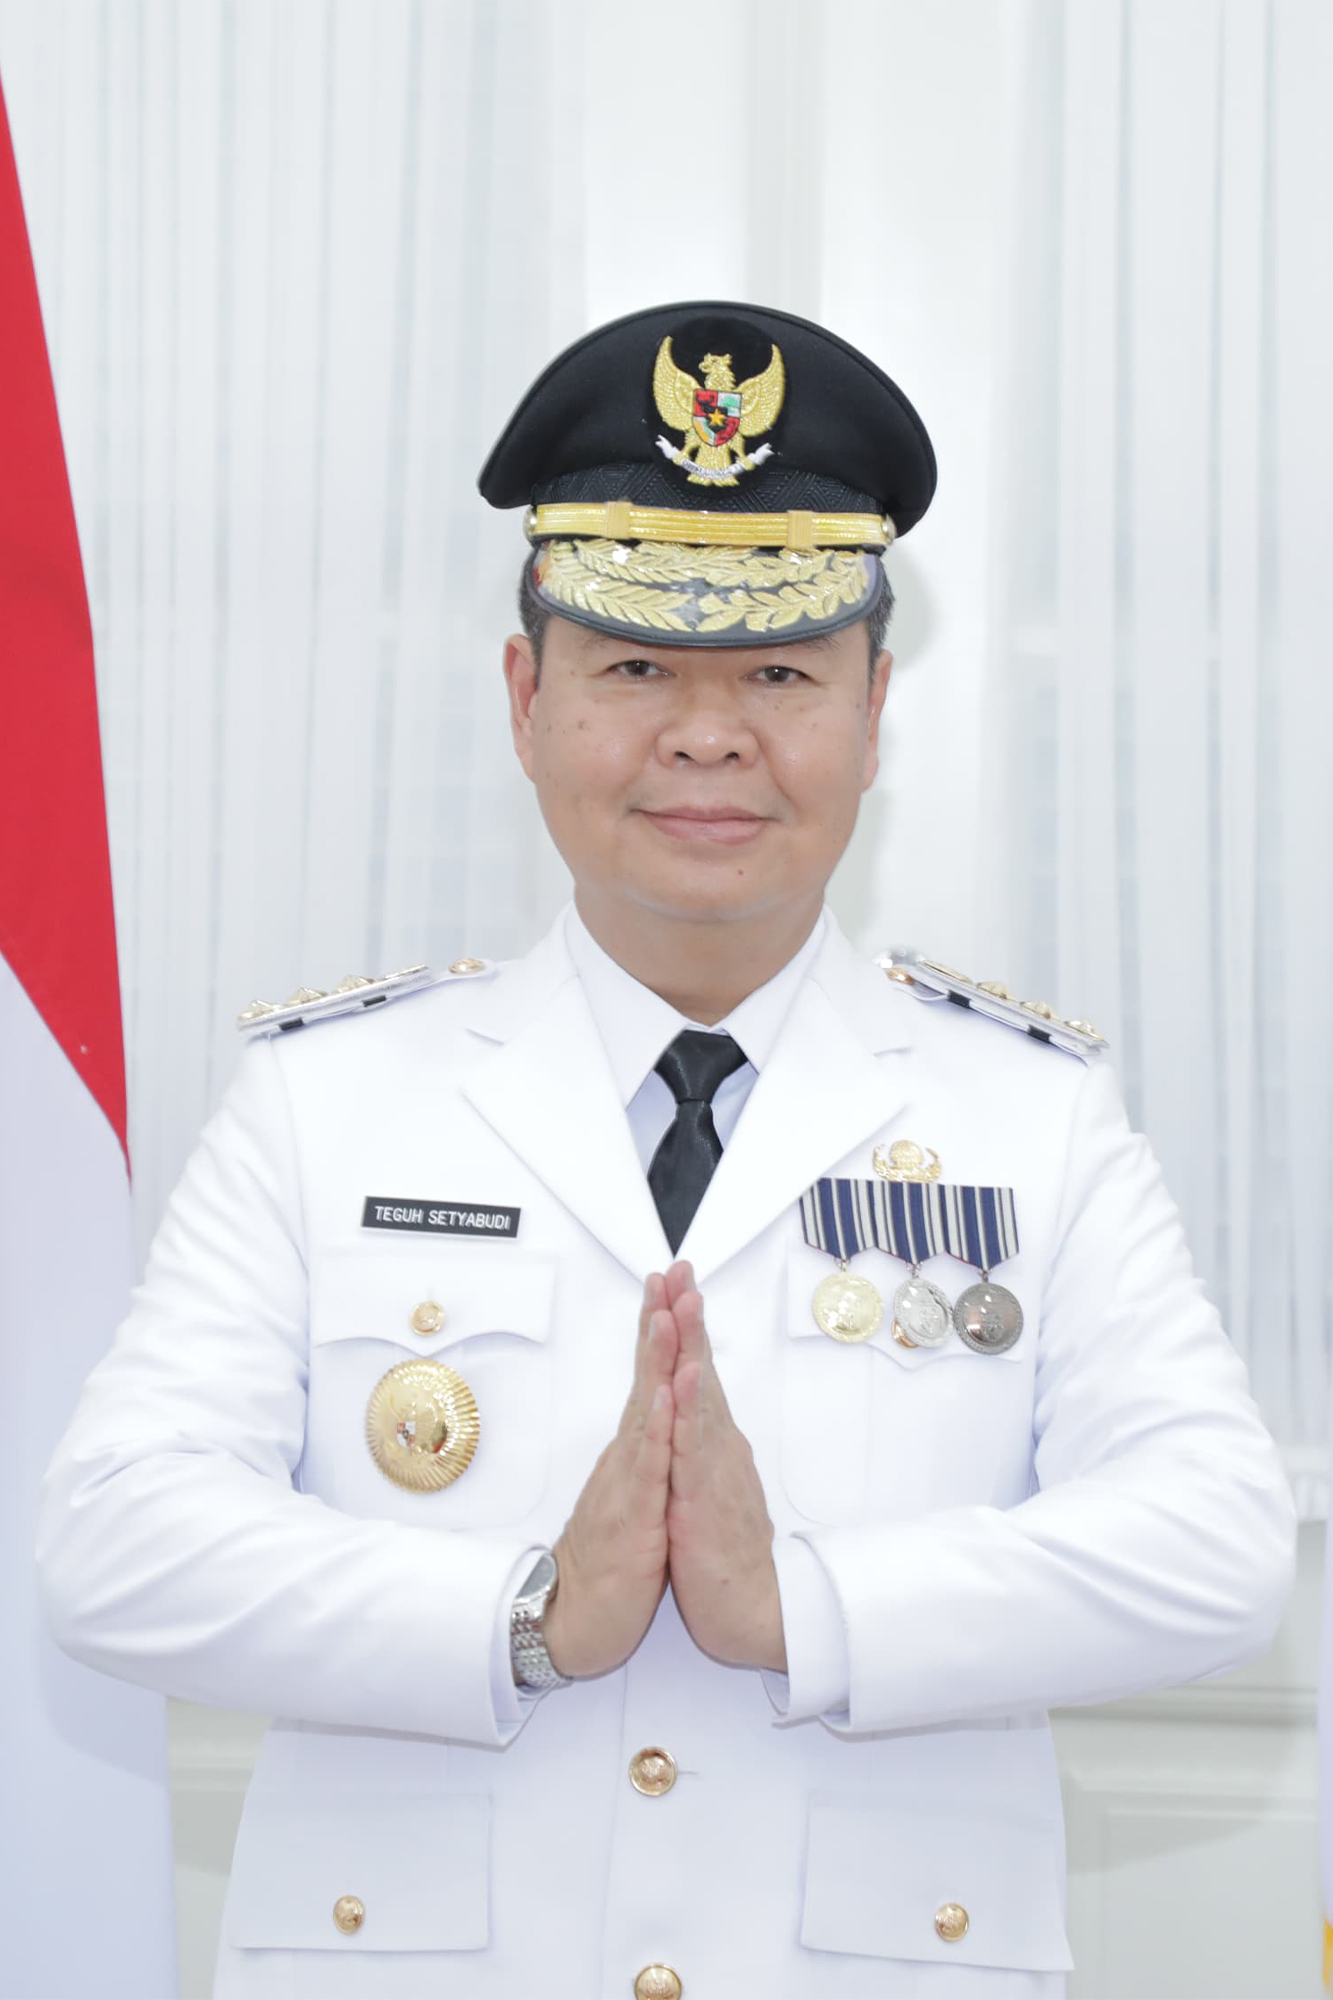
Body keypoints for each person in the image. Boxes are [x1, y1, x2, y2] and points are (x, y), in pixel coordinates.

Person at [38, 300, 1296, 2000]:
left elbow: (1213, 1539)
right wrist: (526, 1615)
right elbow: (116, 1540)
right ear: (522, 695)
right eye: (635, 669)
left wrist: (807, 1613)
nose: (707, 736)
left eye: (777, 673)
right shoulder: (328, 1103)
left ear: (874, 709)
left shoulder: (1028, 1115)